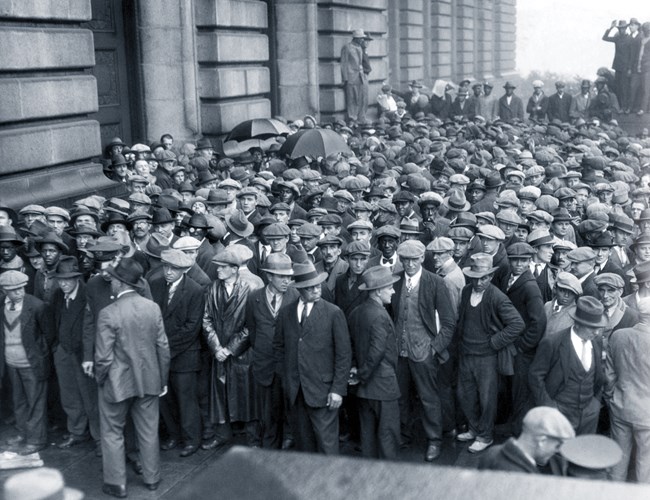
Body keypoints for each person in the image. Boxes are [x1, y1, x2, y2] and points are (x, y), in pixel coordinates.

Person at [95, 258, 170, 497]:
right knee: (148, 431)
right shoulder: (152, 307)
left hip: (116, 384)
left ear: (119, 282)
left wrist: (100, 378)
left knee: (112, 432)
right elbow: (163, 348)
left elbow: (103, 358)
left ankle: (117, 484)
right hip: (150, 380)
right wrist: (163, 380)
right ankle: (152, 479)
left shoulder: (108, 313)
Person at [273, 261, 352, 454]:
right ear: (300, 290)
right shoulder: (286, 313)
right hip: (296, 392)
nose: (316, 290)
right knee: (304, 444)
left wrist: (337, 389)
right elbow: (279, 347)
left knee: (327, 446)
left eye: (318, 285)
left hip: (324, 392)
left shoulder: (333, 313)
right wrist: (287, 378)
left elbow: (344, 354)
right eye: (310, 288)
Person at [391, 240, 456, 461]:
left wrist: (434, 348)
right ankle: (404, 435)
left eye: (414, 259)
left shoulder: (436, 283)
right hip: (399, 352)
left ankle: (434, 440)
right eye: (405, 259)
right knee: (400, 397)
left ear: (422, 259)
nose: (409, 264)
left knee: (429, 398)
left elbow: (448, 324)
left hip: (424, 352)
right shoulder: (396, 280)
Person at [456, 253, 524, 453]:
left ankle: (485, 435)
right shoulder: (467, 291)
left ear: (491, 277)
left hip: (486, 358)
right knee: (465, 395)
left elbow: (517, 324)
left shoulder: (497, 297)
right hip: (466, 354)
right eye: (475, 277)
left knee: (487, 399)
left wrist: (494, 342)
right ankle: (474, 428)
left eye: (483, 277)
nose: (479, 282)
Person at [148, 249, 204, 458]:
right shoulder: (155, 285)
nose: (168, 272)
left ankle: (192, 440)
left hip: (184, 354)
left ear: (184, 270)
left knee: (186, 399)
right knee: (165, 397)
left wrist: (166, 349)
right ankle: (173, 435)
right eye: (166, 267)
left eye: (174, 269)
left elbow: (192, 327)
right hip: (161, 352)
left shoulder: (195, 290)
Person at [202, 247, 259, 449]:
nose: (218, 270)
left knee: (248, 396)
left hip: (242, 354)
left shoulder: (250, 289)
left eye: (222, 267)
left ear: (234, 269)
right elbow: (206, 319)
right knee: (219, 395)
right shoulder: (212, 289)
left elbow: (252, 325)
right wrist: (216, 347)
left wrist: (230, 348)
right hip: (219, 353)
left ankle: (253, 438)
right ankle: (222, 434)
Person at [529, 296, 606, 435]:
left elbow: (598, 374)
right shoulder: (553, 342)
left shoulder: (596, 342)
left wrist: (595, 403)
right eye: (592, 328)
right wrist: (549, 407)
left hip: (589, 414)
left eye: (598, 328)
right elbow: (535, 376)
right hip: (560, 413)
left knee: (582, 453)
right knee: (557, 453)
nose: (596, 332)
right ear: (577, 323)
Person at [348, 266, 401, 459]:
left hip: (364, 390)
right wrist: (363, 373)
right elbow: (377, 352)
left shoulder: (356, 312)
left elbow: (351, 346)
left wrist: (356, 372)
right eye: (390, 288)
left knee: (367, 437)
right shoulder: (379, 315)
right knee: (388, 436)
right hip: (383, 386)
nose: (393, 291)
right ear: (378, 291)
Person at [246, 253, 299, 449]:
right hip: (265, 366)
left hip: (289, 366)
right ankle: (271, 447)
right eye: (281, 276)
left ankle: (291, 440)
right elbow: (252, 330)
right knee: (268, 413)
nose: (287, 281)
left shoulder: (296, 296)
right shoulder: (254, 298)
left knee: (291, 409)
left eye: (289, 277)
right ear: (269, 276)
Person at [0, 270, 53, 456]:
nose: (20, 293)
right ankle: (23, 433)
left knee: (36, 402)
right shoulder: (1, 305)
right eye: (14, 290)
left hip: (32, 363)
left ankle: (36, 440)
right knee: (19, 401)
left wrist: (42, 356)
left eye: (22, 288)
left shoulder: (37, 306)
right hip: (11, 362)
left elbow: (49, 335)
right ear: (4, 290)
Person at [51, 256, 100, 454]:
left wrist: (90, 354)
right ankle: (77, 431)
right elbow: (54, 320)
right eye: (60, 279)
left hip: (84, 353)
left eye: (67, 279)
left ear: (77, 278)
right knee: (69, 395)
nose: (63, 283)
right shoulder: (57, 296)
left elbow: (93, 326)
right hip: (64, 350)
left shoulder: (88, 294)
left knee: (91, 397)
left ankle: (99, 437)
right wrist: (57, 347)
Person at [605, 297, 650, 483]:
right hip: (647, 413)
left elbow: (609, 376)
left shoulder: (618, 336)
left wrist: (611, 399)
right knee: (645, 465)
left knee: (618, 460)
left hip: (620, 406)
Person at [479, 406, 575, 473]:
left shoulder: (491, 452)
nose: (557, 451)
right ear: (542, 441)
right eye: (557, 446)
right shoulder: (525, 478)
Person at [340, 29, 371, 124]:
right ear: (355, 38)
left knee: (362, 98)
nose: (362, 40)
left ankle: (361, 117)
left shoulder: (360, 48)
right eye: (361, 38)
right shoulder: (347, 47)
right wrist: (345, 78)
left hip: (360, 76)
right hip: (351, 77)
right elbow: (344, 63)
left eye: (362, 38)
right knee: (352, 98)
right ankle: (352, 118)